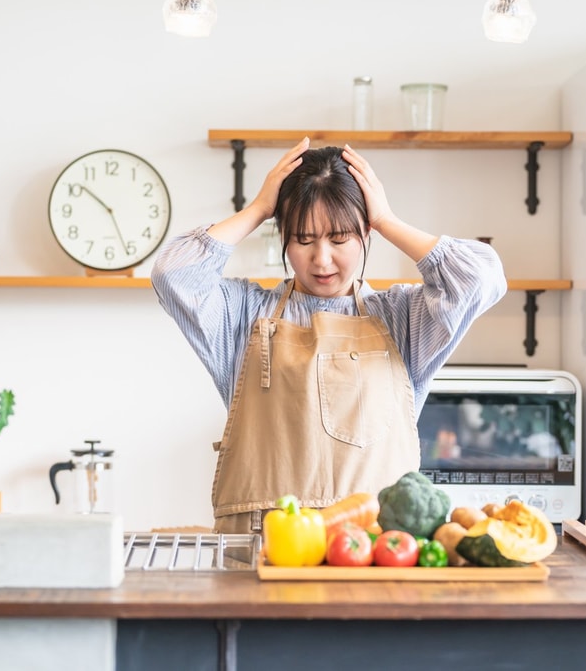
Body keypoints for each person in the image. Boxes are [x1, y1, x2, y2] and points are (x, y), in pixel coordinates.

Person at [152, 138, 507, 533]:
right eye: (303, 240)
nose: (322, 260)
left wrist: (387, 218)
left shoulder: (403, 318)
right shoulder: (243, 316)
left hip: (372, 554)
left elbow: (481, 278)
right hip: (262, 553)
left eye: (339, 239)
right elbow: (173, 273)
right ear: (283, 236)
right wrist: (259, 209)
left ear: (365, 233)